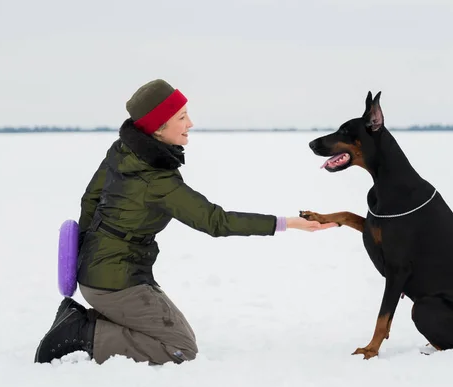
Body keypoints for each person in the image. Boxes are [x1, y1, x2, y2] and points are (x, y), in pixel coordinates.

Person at [34, 79, 337, 365]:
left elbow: (90, 200)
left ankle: (90, 319)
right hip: (115, 283)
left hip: (102, 274)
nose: (190, 124)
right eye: (182, 117)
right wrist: (287, 223)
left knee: (179, 336)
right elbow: (216, 221)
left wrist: (84, 258)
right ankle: (82, 331)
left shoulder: (123, 152)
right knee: (180, 349)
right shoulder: (157, 180)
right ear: (158, 127)